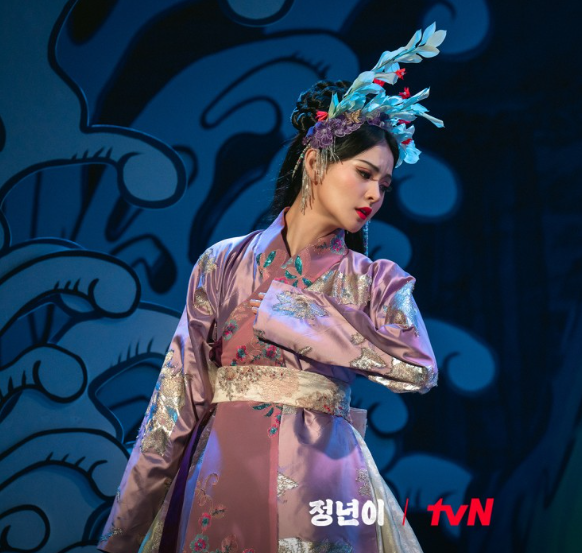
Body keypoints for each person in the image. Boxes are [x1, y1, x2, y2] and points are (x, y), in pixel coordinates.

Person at [98, 24, 446, 553]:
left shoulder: (373, 280)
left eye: (385, 183)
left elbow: (419, 368)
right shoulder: (222, 264)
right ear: (315, 161)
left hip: (323, 487)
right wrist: (121, 537)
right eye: (364, 173)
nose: (375, 193)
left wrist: (298, 315)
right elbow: (173, 410)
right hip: (222, 479)